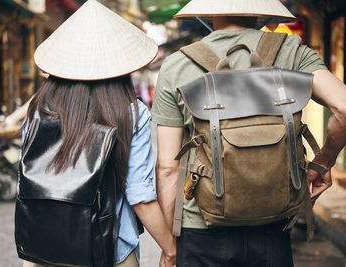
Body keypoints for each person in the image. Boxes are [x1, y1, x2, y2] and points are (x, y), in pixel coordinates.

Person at [151, 0, 346, 266]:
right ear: (260, 8)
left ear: (207, 10)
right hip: (273, 223)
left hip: (200, 229)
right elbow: (343, 107)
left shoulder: (177, 65)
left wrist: (169, 243)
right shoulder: (292, 51)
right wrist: (324, 161)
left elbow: (167, 169)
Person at [19, 1, 176, 266]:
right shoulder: (131, 112)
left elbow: (27, 175)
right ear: (121, 62)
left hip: (43, 247)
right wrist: (170, 248)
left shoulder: (41, 107)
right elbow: (139, 194)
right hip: (110, 248)